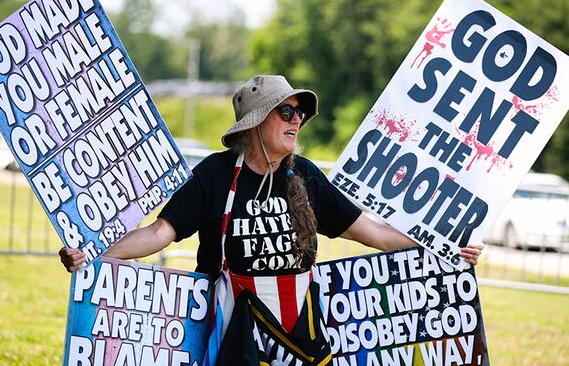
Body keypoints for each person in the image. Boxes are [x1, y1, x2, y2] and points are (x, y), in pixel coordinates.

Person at [60, 75, 482, 363]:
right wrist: (93, 254)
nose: (297, 121)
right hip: (230, 331)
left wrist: (446, 243)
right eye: (286, 112)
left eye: (299, 113)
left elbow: (372, 233)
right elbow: (158, 233)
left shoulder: (307, 176)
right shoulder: (215, 173)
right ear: (256, 122)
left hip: (300, 331)